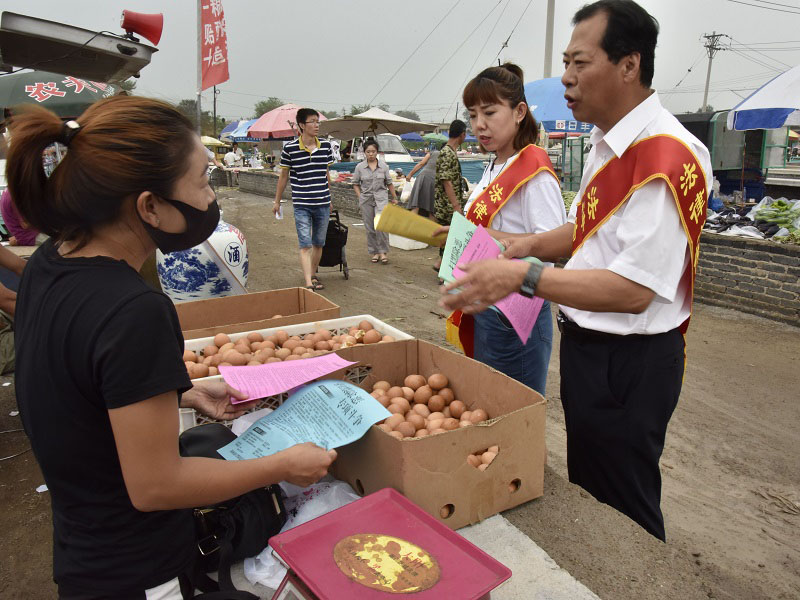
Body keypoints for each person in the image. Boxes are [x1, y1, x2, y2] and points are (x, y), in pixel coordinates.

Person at [6, 97, 336, 598]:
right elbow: (156, 486)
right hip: (137, 569)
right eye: (203, 181)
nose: (210, 198)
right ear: (149, 205)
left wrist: (179, 393)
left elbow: (73, 387)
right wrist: (280, 466)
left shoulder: (51, 263)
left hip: (83, 550)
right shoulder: (134, 310)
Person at [439, 0, 712, 542]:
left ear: (628, 66)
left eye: (579, 63)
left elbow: (634, 290)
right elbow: (589, 229)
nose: (564, 77)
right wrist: (530, 244)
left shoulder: (664, 157)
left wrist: (523, 276)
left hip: (630, 360)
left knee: (626, 509)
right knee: (592, 492)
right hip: (590, 345)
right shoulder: (608, 143)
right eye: (565, 62)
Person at [442, 63, 566, 396]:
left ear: (519, 111)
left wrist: (484, 237)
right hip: (489, 307)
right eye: (472, 115)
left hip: (518, 312)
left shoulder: (533, 170)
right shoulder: (496, 163)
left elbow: (554, 246)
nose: (479, 125)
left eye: (490, 112)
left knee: (514, 416)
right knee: (489, 406)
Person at [273, 108, 334, 291]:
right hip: (302, 204)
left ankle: (313, 274)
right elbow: (284, 176)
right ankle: (308, 282)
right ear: (301, 125)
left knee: (318, 243)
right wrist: (277, 201)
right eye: (312, 121)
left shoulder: (326, 146)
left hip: (322, 202)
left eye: (318, 122)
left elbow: (326, 173)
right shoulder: (290, 148)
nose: (316, 125)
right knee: (305, 243)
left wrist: (330, 198)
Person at [352, 139, 398, 265]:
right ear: (364, 153)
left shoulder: (384, 166)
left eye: (373, 151)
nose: (371, 154)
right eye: (368, 152)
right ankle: (374, 252)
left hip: (381, 199)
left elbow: (389, 183)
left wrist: (394, 197)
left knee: (381, 225)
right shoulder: (359, 167)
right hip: (366, 200)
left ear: (377, 152)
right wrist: (360, 196)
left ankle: (383, 252)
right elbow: (355, 184)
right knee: (370, 227)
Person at [433, 120, 467, 269]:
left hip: (448, 203)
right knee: (452, 236)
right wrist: (456, 206)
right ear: (462, 135)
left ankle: (441, 264)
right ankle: (443, 268)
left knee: (450, 236)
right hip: (446, 205)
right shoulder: (447, 153)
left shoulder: (450, 152)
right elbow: (446, 180)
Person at [404, 146, 439, 218]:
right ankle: (431, 228)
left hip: (423, 177)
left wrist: (410, 174)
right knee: (431, 208)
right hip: (435, 181)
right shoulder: (449, 156)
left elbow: (421, 163)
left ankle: (409, 226)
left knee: (416, 204)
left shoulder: (433, 152)